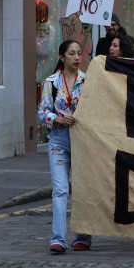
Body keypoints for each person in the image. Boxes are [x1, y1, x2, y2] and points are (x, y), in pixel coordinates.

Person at [38, 40, 91, 254]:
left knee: (82, 189)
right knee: (60, 189)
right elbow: (42, 112)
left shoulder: (89, 82)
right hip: (59, 140)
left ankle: (83, 236)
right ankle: (58, 239)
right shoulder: (50, 83)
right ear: (62, 58)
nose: (77, 57)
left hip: (83, 141)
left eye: (79, 53)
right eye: (72, 54)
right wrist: (57, 119)